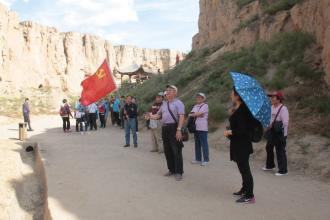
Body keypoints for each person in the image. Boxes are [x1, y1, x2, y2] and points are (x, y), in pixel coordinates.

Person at [147, 85, 185, 181]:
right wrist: (150, 116)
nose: (167, 92)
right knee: (167, 150)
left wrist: (179, 129)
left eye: (170, 90)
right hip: (164, 128)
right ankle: (171, 169)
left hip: (174, 128)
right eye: (166, 90)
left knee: (176, 150)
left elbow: (181, 116)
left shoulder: (179, 103)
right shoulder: (164, 104)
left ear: (175, 93)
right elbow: (157, 116)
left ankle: (179, 172)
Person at [224, 88, 255, 204]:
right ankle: (244, 189)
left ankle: (250, 196)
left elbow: (242, 129)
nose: (230, 95)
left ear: (237, 96)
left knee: (245, 169)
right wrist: (233, 112)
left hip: (242, 143)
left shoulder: (243, 110)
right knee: (242, 168)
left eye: (232, 93)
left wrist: (229, 132)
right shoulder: (238, 108)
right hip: (238, 143)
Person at [262, 91, 289, 176]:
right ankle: (270, 165)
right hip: (272, 132)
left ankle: (283, 170)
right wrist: (268, 124)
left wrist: (277, 127)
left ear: (279, 99)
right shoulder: (271, 107)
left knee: (280, 150)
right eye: (271, 97)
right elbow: (270, 119)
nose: (272, 99)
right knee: (268, 147)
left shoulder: (283, 108)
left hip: (280, 133)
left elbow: (285, 123)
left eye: (274, 97)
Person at [189, 93, 209, 166]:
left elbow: (199, 114)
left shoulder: (205, 105)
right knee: (197, 144)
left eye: (200, 97)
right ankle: (198, 159)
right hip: (196, 128)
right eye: (197, 97)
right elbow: (191, 114)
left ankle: (206, 160)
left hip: (203, 128)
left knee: (204, 144)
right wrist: (197, 114)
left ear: (203, 99)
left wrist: (196, 114)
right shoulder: (195, 106)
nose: (198, 98)